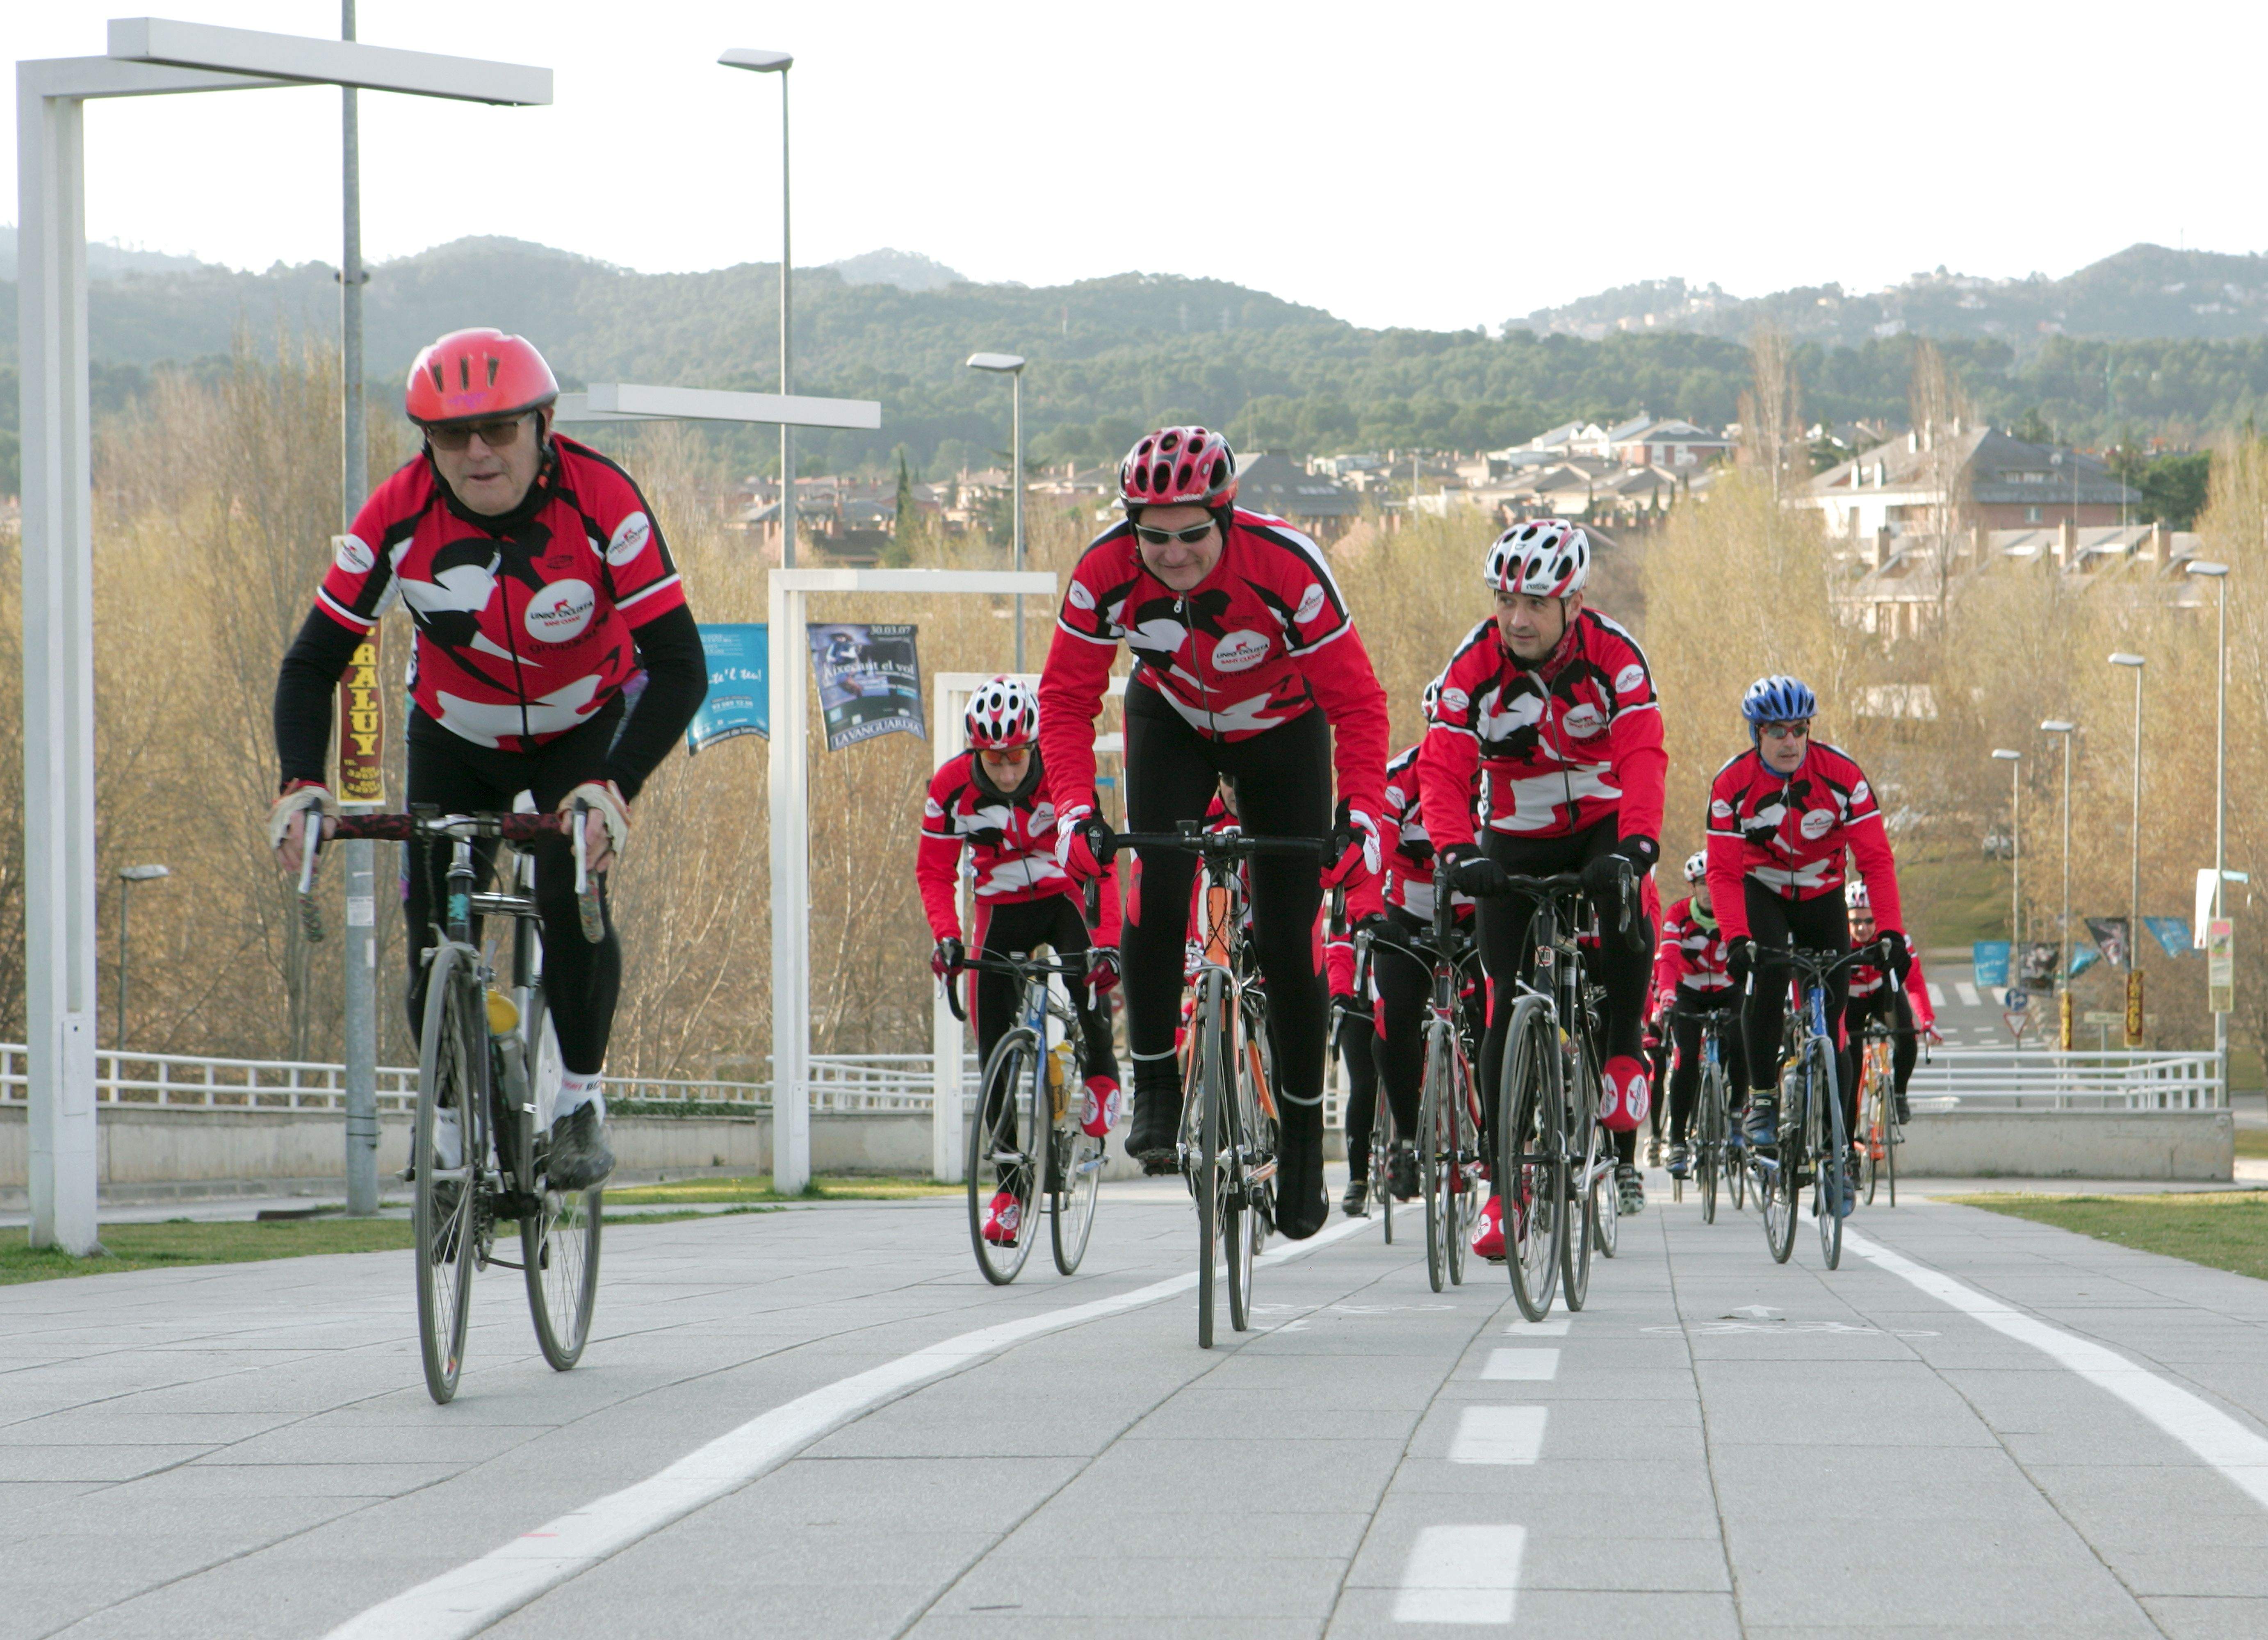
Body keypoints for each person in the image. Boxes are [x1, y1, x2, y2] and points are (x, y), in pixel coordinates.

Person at [269, 328, 706, 1191]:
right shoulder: (394, 513)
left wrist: (613, 786)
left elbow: (681, 665)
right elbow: (311, 662)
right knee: (431, 934)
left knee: (566, 885)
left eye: (500, 429)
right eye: (449, 434)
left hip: (579, 725)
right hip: (454, 729)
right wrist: (300, 781)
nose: (477, 452)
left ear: (543, 425)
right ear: (424, 442)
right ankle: (440, 1122)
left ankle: (579, 1097)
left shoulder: (603, 498)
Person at [1039, 426, 1390, 1240]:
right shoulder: (1102, 572)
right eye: (1152, 535)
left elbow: (1358, 702)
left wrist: (1362, 810)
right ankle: (1156, 1083)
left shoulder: (1287, 566)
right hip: (1168, 719)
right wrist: (1070, 809)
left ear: (1225, 514)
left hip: (1281, 728)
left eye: (1192, 533)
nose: (1171, 553)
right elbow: (1062, 700)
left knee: (1289, 928)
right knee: (1154, 879)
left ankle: (1302, 1140)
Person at [1418, 519, 1666, 1257]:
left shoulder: (1616, 656)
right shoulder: (1473, 664)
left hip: (1601, 815)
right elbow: (1441, 765)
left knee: (1625, 913)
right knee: (1502, 1008)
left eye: (1535, 602)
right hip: (1515, 831)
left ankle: (1622, 1045)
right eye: (1505, 601)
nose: (1517, 619)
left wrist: (1638, 844)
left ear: (1574, 602)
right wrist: (1456, 848)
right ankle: (1501, 1192)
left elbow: (1645, 752)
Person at [919, 676, 1122, 1246]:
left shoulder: (1063, 776)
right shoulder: (949, 788)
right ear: (974, 753)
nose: (1007, 773)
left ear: (1034, 747)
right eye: (994, 760)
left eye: (1016, 758)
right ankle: (1010, 1190)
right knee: (993, 1054)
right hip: (999, 910)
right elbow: (933, 872)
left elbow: (1101, 866)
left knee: (1088, 978)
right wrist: (947, 938)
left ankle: (1103, 1072)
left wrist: (1106, 941)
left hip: (1061, 896)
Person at [1706, 675, 1910, 1192]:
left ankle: (1838, 1149)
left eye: (1799, 729)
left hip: (1823, 894)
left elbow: (1876, 862)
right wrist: (1734, 938)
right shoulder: (1731, 785)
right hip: (1762, 891)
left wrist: (1889, 932)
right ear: (1756, 733)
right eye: (1776, 730)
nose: (1789, 741)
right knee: (1765, 981)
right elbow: (1724, 874)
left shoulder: (1842, 776)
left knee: (1834, 1023)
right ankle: (1762, 1098)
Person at [1347, 681, 1468, 1218]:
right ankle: (1403, 1136)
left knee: (1497, 1010)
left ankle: (1496, 1133)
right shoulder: (1399, 778)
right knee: (1390, 1021)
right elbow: (1373, 847)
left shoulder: (1493, 775)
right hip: (1408, 914)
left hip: (1475, 913)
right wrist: (1369, 915)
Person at [1654, 849, 1749, 1178]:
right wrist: (1666, 997)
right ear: (1692, 887)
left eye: (1714, 882)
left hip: (1729, 989)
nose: (1709, 889)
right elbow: (1666, 960)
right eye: (1701, 883)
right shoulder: (1677, 914)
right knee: (1685, 1060)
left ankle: (1736, 1112)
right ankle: (1677, 1140)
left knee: (1742, 1044)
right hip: (1688, 992)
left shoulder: (1736, 913)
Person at [1840, 879, 1936, 1126]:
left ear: (1878, 918)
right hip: (1849, 999)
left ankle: (1900, 1094)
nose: (1862, 928)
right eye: (1854, 922)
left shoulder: (1895, 938)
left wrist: (1927, 1021)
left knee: (1907, 1036)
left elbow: (1914, 983)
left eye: (1869, 921)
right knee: (1848, 1075)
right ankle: (1847, 1148)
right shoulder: (1837, 938)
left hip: (1883, 994)